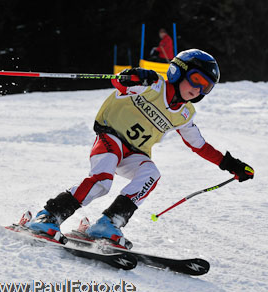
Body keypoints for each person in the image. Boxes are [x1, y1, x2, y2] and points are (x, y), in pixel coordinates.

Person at [25, 49, 254, 248]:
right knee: (102, 183)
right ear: (178, 71)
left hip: (134, 153)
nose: (198, 89)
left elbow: (199, 145)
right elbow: (120, 84)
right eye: (196, 79)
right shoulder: (153, 85)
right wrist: (133, 76)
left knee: (151, 174)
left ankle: (108, 223)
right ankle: (48, 216)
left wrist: (231, 165)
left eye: (206, 87)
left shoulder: (185, 114)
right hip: (110, 136)